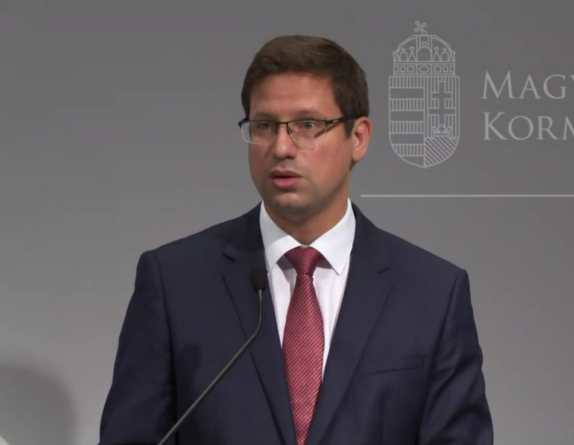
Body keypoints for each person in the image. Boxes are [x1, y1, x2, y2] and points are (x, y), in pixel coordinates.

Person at [98, 34, 493, 445]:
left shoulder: (433, 294)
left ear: (358, 137)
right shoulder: (176, 282)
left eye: (307, 125)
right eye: (264, 126)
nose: (281, 147)